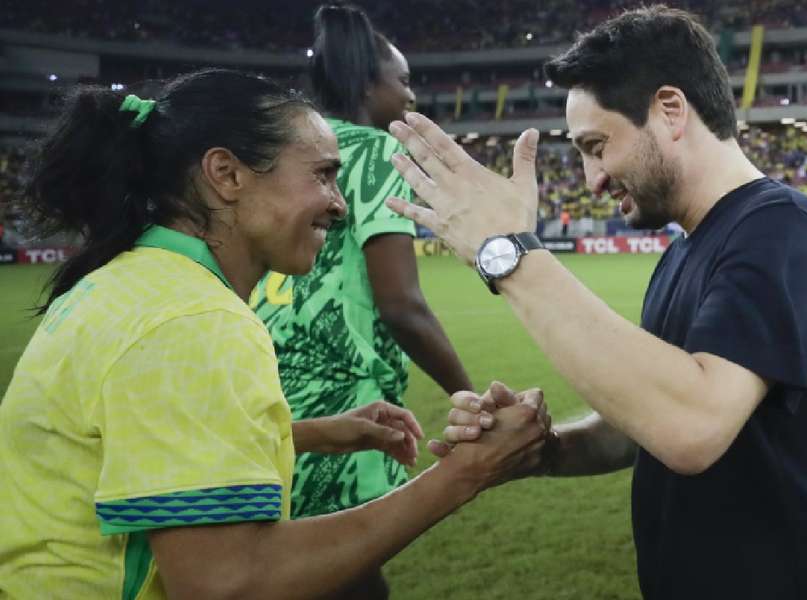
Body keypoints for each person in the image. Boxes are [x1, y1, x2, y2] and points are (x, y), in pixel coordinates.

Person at [0, 69, 547, 600]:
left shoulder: (126, 283)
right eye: (322, 174)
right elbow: (228, 581)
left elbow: (130, 440)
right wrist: (464, 474)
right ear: (227, 174)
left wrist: (304, 433)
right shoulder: (193, 320)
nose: (339, 204)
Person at [385, 6, 807, 600]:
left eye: (596, 146)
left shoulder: (784, 228)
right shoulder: (684, 253)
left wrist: (508, 254)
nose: (592, 178)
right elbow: (641, 424)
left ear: (670, 111)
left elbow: (691, 425)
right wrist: (543, 448)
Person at [252, 10, 471, 592]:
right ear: (367, 84)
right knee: (344, 572)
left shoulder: (283, 148)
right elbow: (401, 303)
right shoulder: (375, 154)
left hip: (266, 395)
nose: (411, 94)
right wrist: (468, 395)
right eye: (402, 81)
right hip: (342, 398)